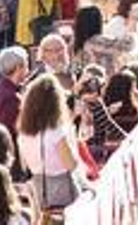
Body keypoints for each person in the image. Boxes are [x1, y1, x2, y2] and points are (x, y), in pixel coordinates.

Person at [16, 73, 87, 211]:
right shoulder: (56, 133)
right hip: (63, 191)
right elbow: (71, 164)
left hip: (39, 191)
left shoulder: (23, 134)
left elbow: (25, 166)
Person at [0, 47, 29, 135]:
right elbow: (14, 129)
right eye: (26, 66)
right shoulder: (12, 97)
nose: (28, 71)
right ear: (18, 67)